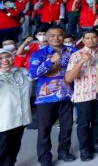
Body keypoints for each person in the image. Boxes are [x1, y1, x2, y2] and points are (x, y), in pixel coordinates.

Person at [29, 26, 77, 165]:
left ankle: (63, 152)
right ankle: (45, 158)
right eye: (52, 35)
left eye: (59, 35)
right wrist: (50, 61)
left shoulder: (72, 52)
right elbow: (33, 74)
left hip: (67, 95)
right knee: (44, 130)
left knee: (67, 127)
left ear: (64, 36)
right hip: (46, 98)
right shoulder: (39, 54)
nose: (56, 38)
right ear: (47, 37)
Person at [64, 29, 98, 161]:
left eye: (93, 37)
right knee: (83, 123)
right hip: (83, 95)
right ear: (83, 40)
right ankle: (84, 149)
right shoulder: (76, 55)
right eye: (88, 38)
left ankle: (96, 144)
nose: (91, 40)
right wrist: (81, 62)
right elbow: (68, 78)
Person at [0, 48, 32, 166]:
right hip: (4, 120)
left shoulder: (22, 71)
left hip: (21, 117)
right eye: (1, 58)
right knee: (3, 147)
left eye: (7, 57)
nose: (5, 60)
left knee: (15, 144)